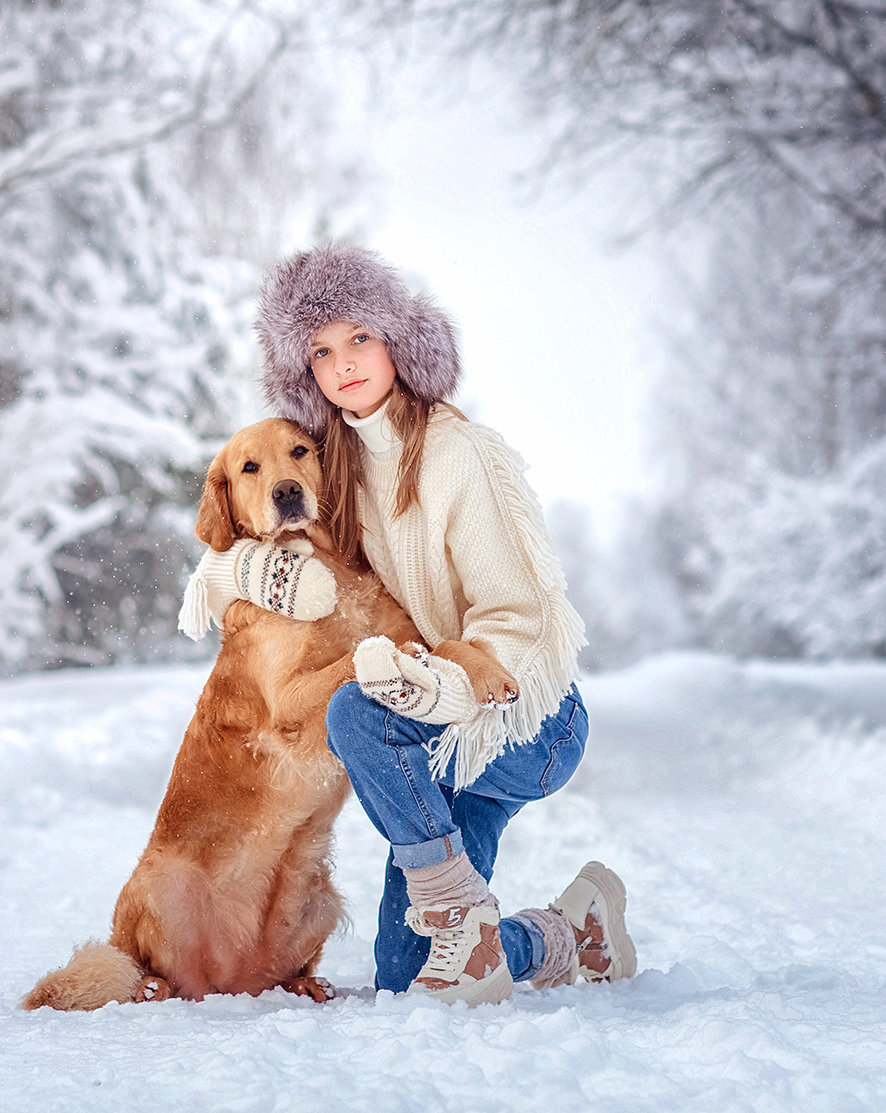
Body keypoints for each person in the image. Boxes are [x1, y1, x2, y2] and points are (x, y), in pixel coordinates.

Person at [180, 245, 636, 1005]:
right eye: (321, 352)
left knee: (355, 711)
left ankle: (456, 910)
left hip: (526, 718)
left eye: (360, 338)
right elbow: (240, 536)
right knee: (409, 978)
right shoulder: (335, 465)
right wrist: (242, 574)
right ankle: (572, 935)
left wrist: (450, 683)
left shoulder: (460, 454)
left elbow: (517, 615)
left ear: (398, 340)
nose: (343, 364)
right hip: (435, 723)